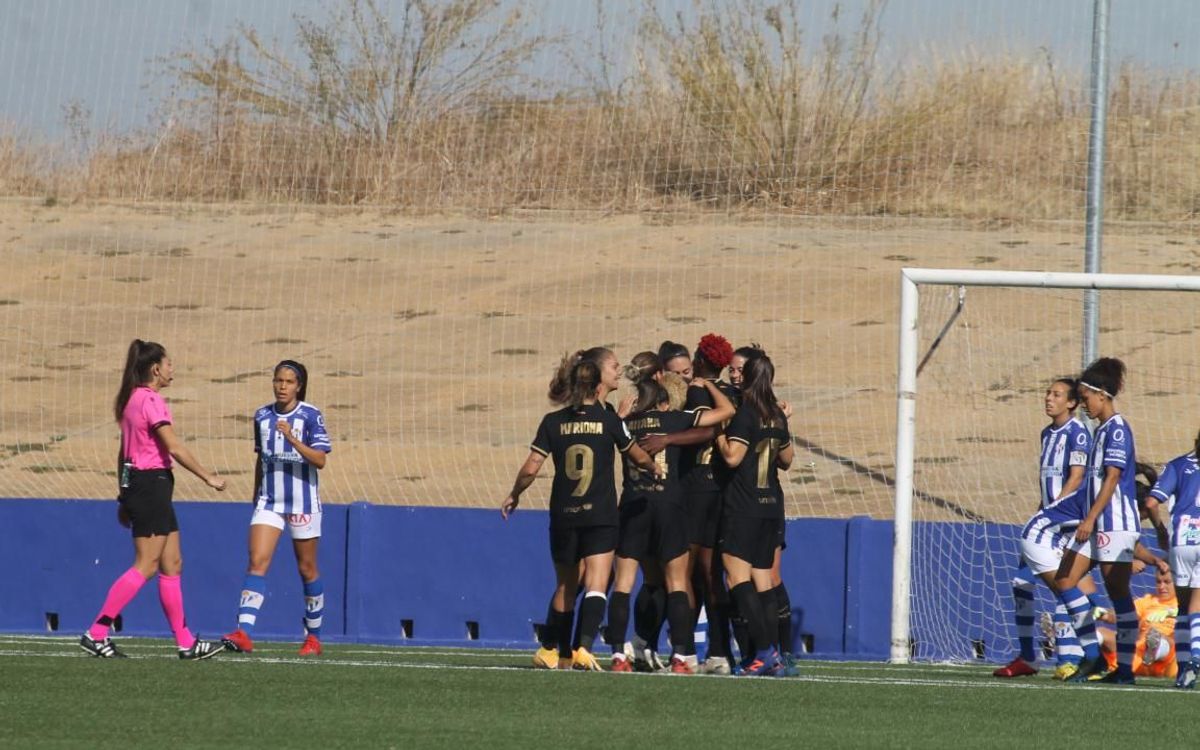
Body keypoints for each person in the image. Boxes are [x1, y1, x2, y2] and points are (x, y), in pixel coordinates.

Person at [501, 348, 660, 670]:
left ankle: (553, 652)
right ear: (597, 381)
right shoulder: (609, 420)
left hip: (563, 514)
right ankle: (583, 648)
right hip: (600, 514)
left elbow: (532, 467)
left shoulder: (553, 422)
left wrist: (515, 493)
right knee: (598, 582)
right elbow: (637, 456)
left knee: (565, 585)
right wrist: (653, 467)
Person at [80, 339, 227, 660]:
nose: (172, 369)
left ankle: (186, 643)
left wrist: (123, 495)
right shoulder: (150, 401)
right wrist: (208, 477)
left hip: (144, 486)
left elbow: (124, 454)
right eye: (169, 363)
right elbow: (173, 447)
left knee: (172, 563)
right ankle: (97, 632)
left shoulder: (131, 400)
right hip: (151, 485)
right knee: (145, 565)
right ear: (156, 369)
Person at [608, 377, 734, 674]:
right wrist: (711, 386)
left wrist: (622, 417)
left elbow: (607, 430)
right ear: (664, 403)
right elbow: (726, 411)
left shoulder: (627, 423)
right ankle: (680, 658)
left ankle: (617, 656)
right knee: (677, 582)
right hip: (669, 504)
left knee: (623, 584)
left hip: (634, 505)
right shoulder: (675, 419)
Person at [223, 361, 332, 657]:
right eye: (278, 381)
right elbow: (261, 458)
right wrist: (256, 493)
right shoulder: (262, 416)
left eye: (289, 382)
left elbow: (320, 460)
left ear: (299, 386)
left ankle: (314, 638)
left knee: (306, 568)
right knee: (256, 561)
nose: (282, 386)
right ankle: (244, 632)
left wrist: (293, 439)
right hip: (269, 501)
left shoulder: (310, 416)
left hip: (303, 503)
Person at [994, 378, 1095, 680]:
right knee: (1021, 583)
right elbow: (1046, 483)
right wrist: (1041, 512)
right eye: (1047, 393)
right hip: (1046, 521)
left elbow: (1077, 477)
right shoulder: (1046, 434)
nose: (1048, 398)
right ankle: (1028, 655)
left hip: (1064, 524)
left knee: (1066, 587)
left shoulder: (1078, 433)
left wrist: (1052, 514)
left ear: (1072, 402)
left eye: (1056, 394)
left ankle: (1074, 655)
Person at [1054, 357, 1145, 683]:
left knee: (1118, 594)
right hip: (1094, 523)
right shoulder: (1101, 430)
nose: (1085, 404)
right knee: (1064, 579)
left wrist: (1090, 518)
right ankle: (1092, 656)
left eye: (1087, 397)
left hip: (1114, 525)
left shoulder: (1117, 429)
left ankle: (1124, 670)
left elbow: (1112, 478)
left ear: (1102, 394)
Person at [715, 352, 793, 676]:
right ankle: (773, 653)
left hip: (743, 506)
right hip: (769, 507)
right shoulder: (776, 414)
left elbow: (732, 458)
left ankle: (762, 653)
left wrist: (720, 431)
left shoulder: (746, 414)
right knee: (764, 579)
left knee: (736, 578)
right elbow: (787, 459)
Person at [1145, 432, 1200, 688]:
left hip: (1181, 542)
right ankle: (1196, 659)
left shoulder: (1178, 465)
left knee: (1184, 608)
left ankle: (1183, 670)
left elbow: (1152, 502)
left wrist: (1160, 531)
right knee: (1197, 607)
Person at [1096, 566, 1178, 678]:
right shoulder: (1148, 601)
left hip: (1168, 661)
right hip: (1138, 652)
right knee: (1103, 632)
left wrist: (1172, 612)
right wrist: (1104, 614)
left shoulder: (1186, 604)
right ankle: (1088, 659)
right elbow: (1123, 615)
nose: (1162, 586)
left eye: (1167, 582)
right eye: (1158, 582)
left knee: (1165, 639)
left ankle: (1156, 649)